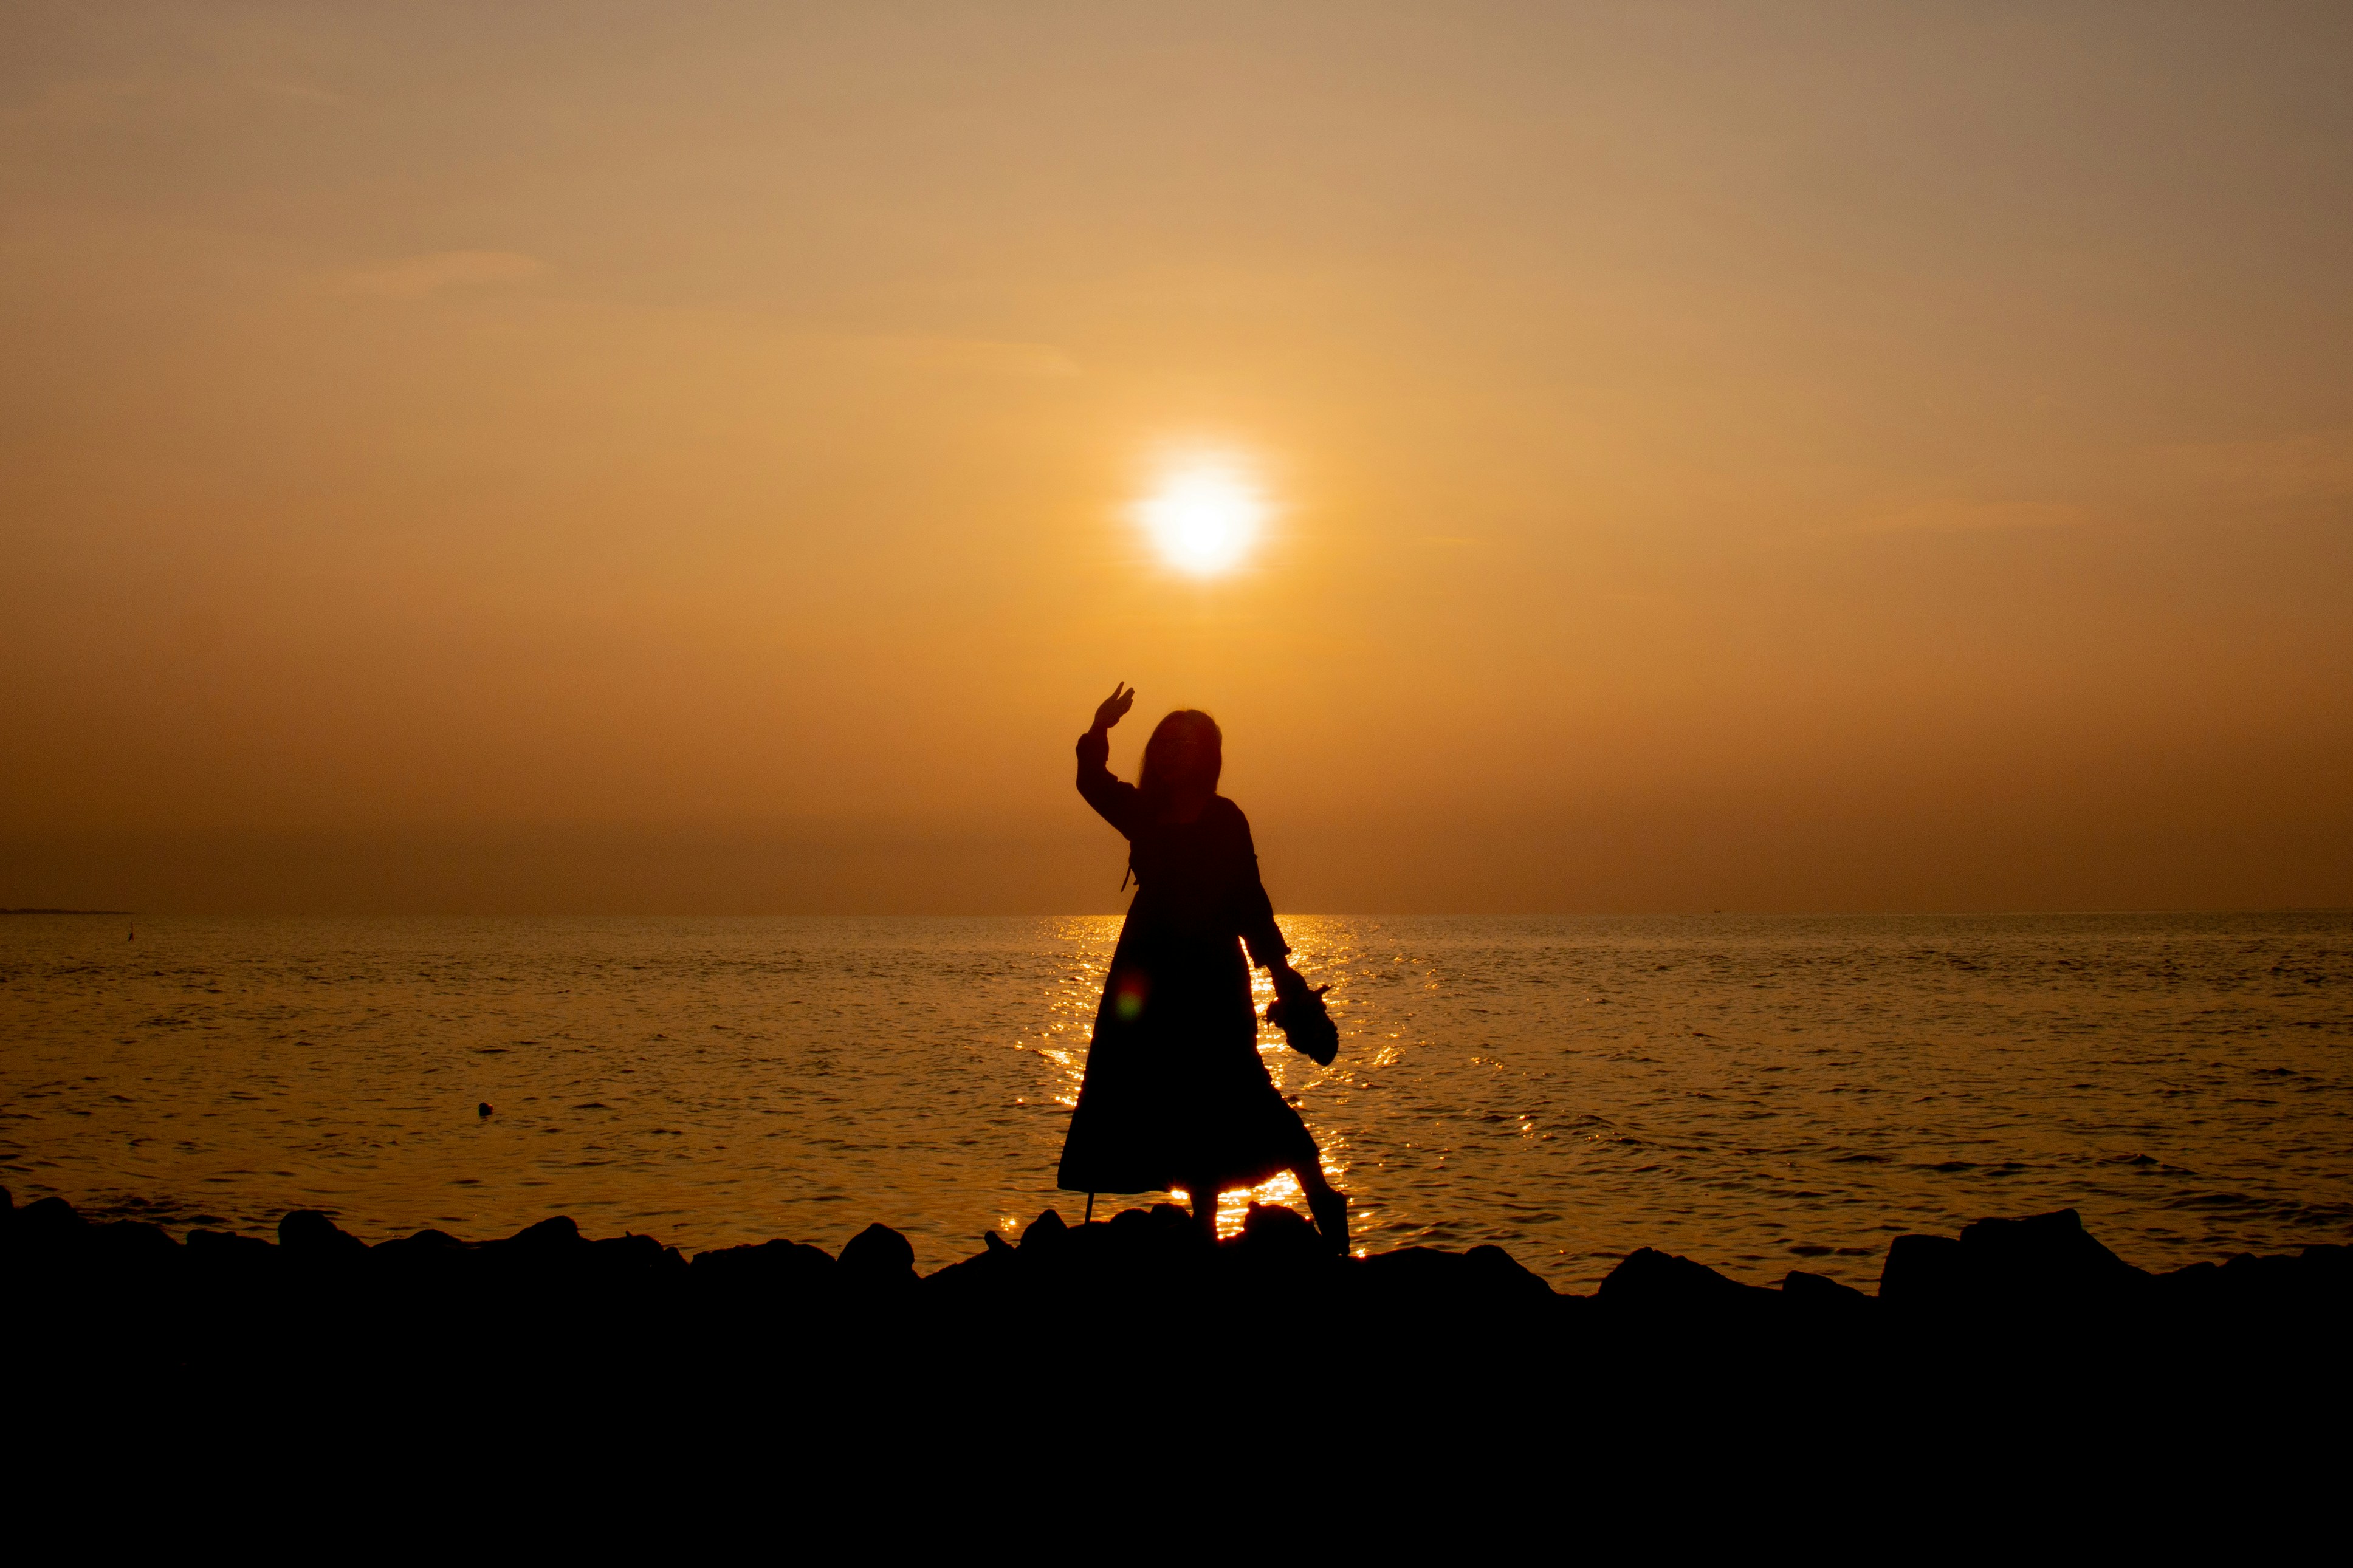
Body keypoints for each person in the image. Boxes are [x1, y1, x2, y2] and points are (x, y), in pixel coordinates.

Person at [1056, 682, 1348, 1253]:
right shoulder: (1145, 812)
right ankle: (1205, 1228)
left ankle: (1319, 1190)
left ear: (1208, 754)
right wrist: (1100, 728)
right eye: (1163, 741)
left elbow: (1250, 901)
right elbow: (1090, 781)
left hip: (1213, 970)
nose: (1170, 750)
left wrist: (1283, 973)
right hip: (1149, 967)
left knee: (1241, 1085)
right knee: (1176, 1095)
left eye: (1183, 742)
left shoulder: (1225, 819)